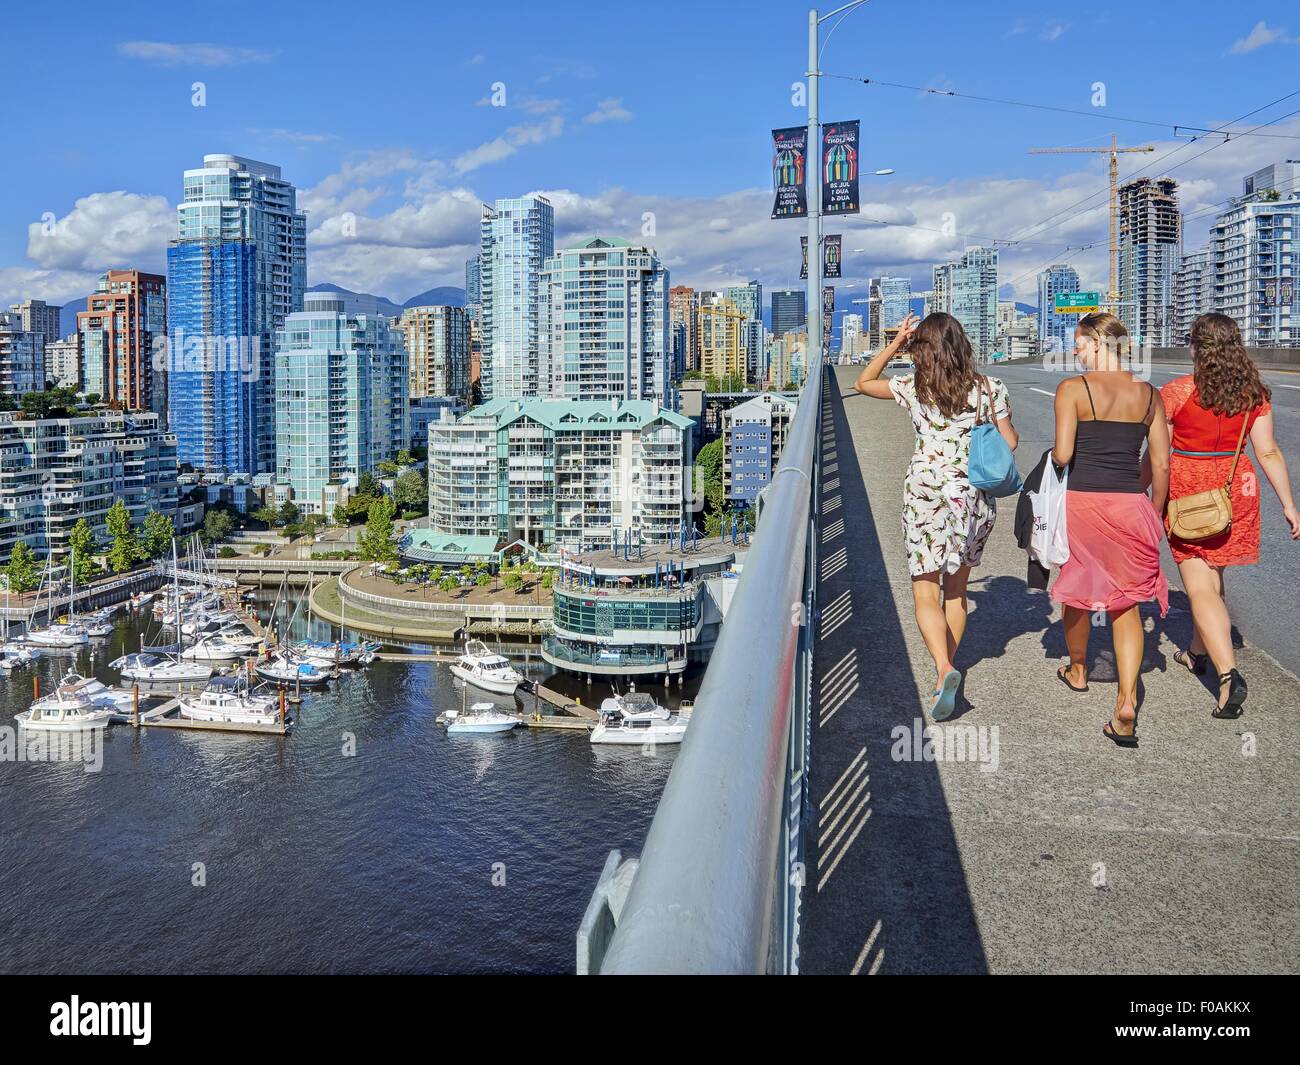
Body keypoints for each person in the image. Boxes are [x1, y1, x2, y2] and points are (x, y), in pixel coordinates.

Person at [854, 311, 1018, 720]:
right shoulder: (990, 388)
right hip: (971, 495)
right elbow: (1009, 443)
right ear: (961, 345)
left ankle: (944, 668)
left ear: (920, 351)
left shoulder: (913, 387)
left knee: (924, 589)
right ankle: (943, 671)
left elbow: (862, 382)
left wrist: (896, 343)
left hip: (924, 492)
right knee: (956, 591)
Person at [1162, 312, 1299, 718]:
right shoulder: (1253, 393)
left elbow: (1161, 457)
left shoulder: (1177, 392)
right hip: (1235, 489)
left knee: (1199, 583)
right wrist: (1290, 505)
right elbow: (1268, 451)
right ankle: (1194, 653)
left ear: (1195, 348)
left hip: (1190, 489)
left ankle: (1228, 676)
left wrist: (1150, 501)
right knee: (1214, 575)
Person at [1051, 312, 1170, 748]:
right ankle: (1125, 702)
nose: (1075, 353)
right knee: (1126, 605)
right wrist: (1152, 512)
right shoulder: (1149, 396)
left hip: (1081, 505)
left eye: (1079, 345)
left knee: (1077, 588)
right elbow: (1158, 465)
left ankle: (1078, 670)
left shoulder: (1072, 390)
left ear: (1098, 344)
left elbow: (1063, 455)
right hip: (1130, 506)